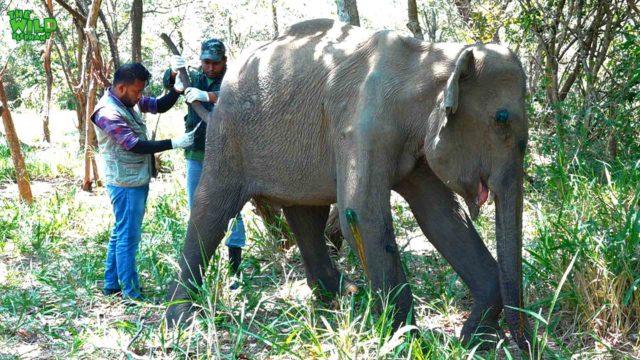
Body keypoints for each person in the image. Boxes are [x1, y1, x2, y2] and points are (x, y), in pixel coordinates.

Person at [92, 63, 194, 301]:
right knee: (128, 236)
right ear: (120, 87)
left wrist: (175, 91)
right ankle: (130, 292)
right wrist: (174, 143)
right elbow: (134, 145)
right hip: (125, 183)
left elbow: (158, 106)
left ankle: (111, 284)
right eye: (137, 91)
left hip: (133, 178)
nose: (140, 96)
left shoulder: (126, 100)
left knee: (121, 232)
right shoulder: (108, 112)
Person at [163, 39, 246, 284]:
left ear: (224, 61)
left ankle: (235, 270)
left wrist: (207, 96)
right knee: (197, 208)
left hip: (227, 155)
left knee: (233, 210)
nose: (210, 68)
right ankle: (197, 271)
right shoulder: (195, 78)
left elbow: (237, 98)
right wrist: (173, 73)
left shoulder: (233, 78)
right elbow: (170, 86)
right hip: (197, 154)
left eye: (215, 63)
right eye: (206, 62)